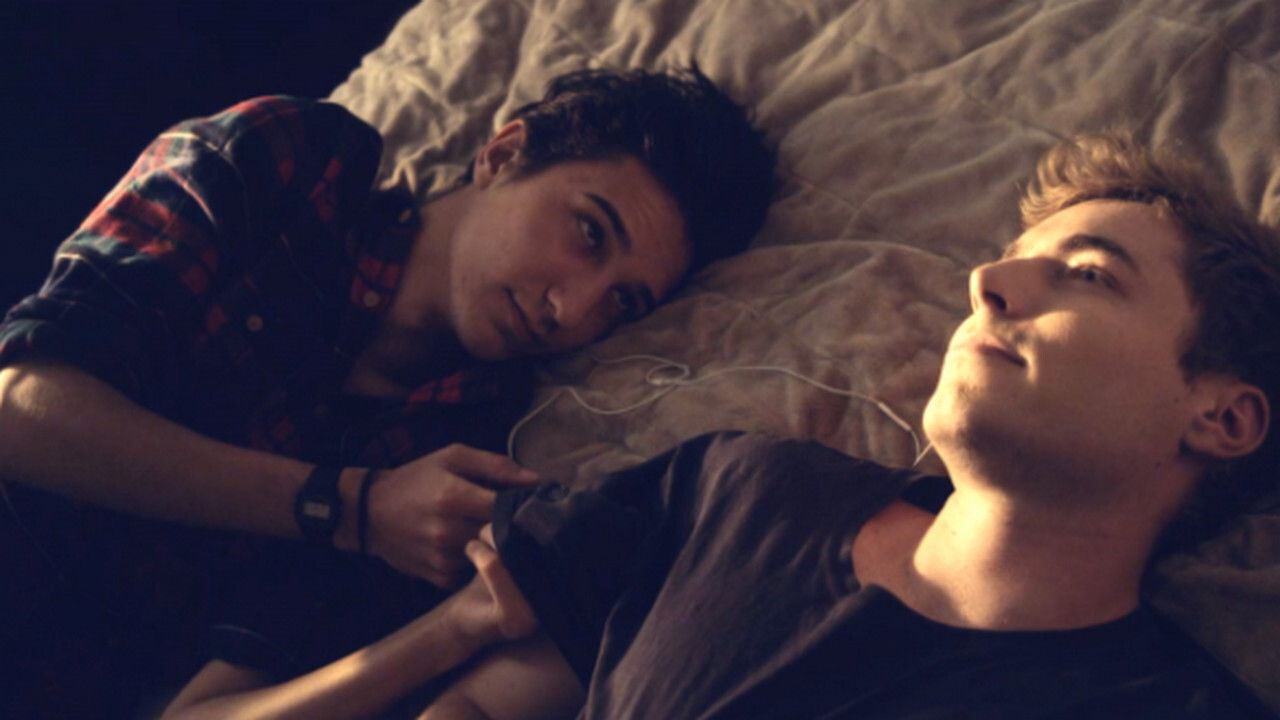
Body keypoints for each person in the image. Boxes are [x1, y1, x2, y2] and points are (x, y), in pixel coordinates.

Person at [168, 132, 1280, 718]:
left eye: (1087, 276)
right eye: (1010, 257)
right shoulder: (743, 490)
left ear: (1222, 416)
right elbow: (478, 704)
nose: (988, 283)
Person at [0, 66, 775, 716]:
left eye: (622, 302)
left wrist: (456, 626)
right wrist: (349, 508)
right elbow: (16, 408)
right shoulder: (296, 167)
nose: (570, 311)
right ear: (504, 154)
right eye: (589, 233)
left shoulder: (456, 451)